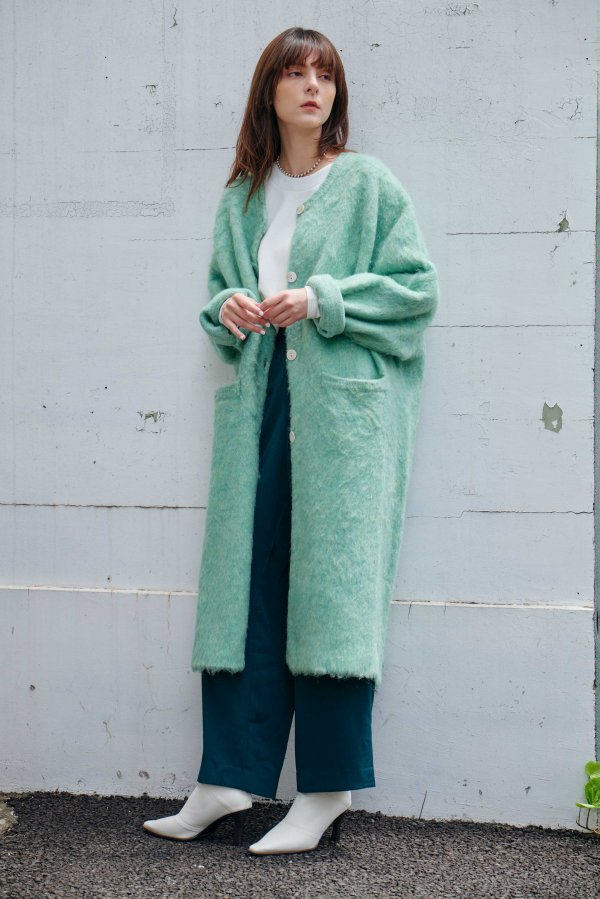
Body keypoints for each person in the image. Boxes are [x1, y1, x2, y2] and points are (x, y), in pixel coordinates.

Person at [143, 26, 439, 855]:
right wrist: (229, 308)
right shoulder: (243, 196)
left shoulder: (368, 184)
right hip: (260, 403)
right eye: (296, 73)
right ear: (268, 90)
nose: (314, 86)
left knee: (330, 593)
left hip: (342, 418)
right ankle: (226, 776)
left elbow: (416, 294)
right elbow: (218, 304)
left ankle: (325, 790)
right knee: (243, 585)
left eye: (326, 75)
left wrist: (322, 299)